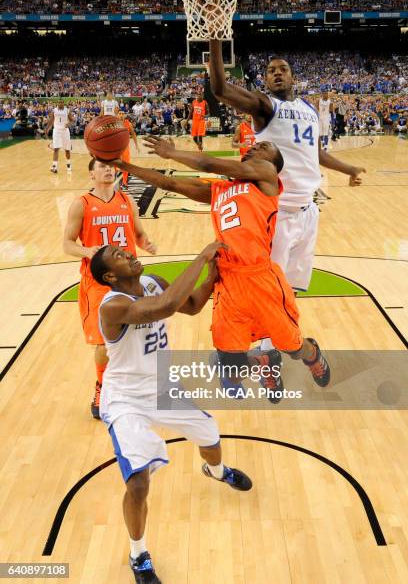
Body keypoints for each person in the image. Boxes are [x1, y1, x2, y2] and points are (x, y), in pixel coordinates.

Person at [107, 136, 331, 403]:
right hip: (228, 280)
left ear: (273, 162)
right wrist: (123, 165)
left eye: (264, 147)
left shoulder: (267, 177)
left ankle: (312, 355)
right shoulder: (220, 190)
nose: (255, 147)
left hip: (260, 278)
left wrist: (172, 153)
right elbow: (169, 183)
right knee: (231, 366)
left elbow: (206, 162)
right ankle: (259, 360)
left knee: (291, 346)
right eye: (256, 145)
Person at [90, 241, 252, 583]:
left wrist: (211, 276)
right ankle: (139, 555)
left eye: (126, 250)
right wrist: (202, 254)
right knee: (137, 482)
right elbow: (163, 308)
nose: (129, 253)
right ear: (109, 275)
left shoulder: (153, 282)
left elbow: (189, 305)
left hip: (163, 387)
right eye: (120, 256)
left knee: (209, 434)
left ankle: (218, 472)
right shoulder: (113, 306)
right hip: (125, 400)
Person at [208, 41, 366, 353]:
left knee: (289, 287)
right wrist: (216, 41)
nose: (277, 74)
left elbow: (314, 151)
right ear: (264, 80)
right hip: (275, 211)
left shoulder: (307, 109)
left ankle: (279, 339)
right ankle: (265, 350)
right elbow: (221, 89)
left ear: (293, 76)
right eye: (271, 71)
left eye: (283, 70)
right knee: (267, 289)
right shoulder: (265, 106)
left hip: (308, 210)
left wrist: (348, 168)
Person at [63, 158, 156, 419]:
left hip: (128, 281)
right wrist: (86, 251)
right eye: (101, 167)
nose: (107, 170)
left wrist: (145, 242)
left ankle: (135, 388)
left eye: (109, 166)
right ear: (91, 175)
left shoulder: (127, 201)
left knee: (135, 336)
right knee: (104, 341)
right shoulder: (81, 205)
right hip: (99, 280)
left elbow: (138, 233)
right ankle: (102, 387)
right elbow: (67, 243)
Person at [45, 100, 74, 174]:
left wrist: (69, 124)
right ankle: (54, 167)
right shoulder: (54, 111)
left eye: (62, 102)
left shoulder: (67, 110)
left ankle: (68, 165)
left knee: (67, 149)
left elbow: (72, 120)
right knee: (56, 149)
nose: (60, 103)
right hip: (56, 131)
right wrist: (47, 128)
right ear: (57, 103)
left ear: (63, 103)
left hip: (65, 131)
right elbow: (51, 121)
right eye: (59, 102)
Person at [118, 112, 138, 189]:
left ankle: (124, 181)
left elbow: (133, 134)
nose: (121, 115)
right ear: (117, 115)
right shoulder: (114, 124)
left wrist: (136, 145)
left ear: (125, 115)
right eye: (120, 113)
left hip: (125, 146)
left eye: (122, 113)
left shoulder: (128, 124)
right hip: (116, 147)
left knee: (125, 164)